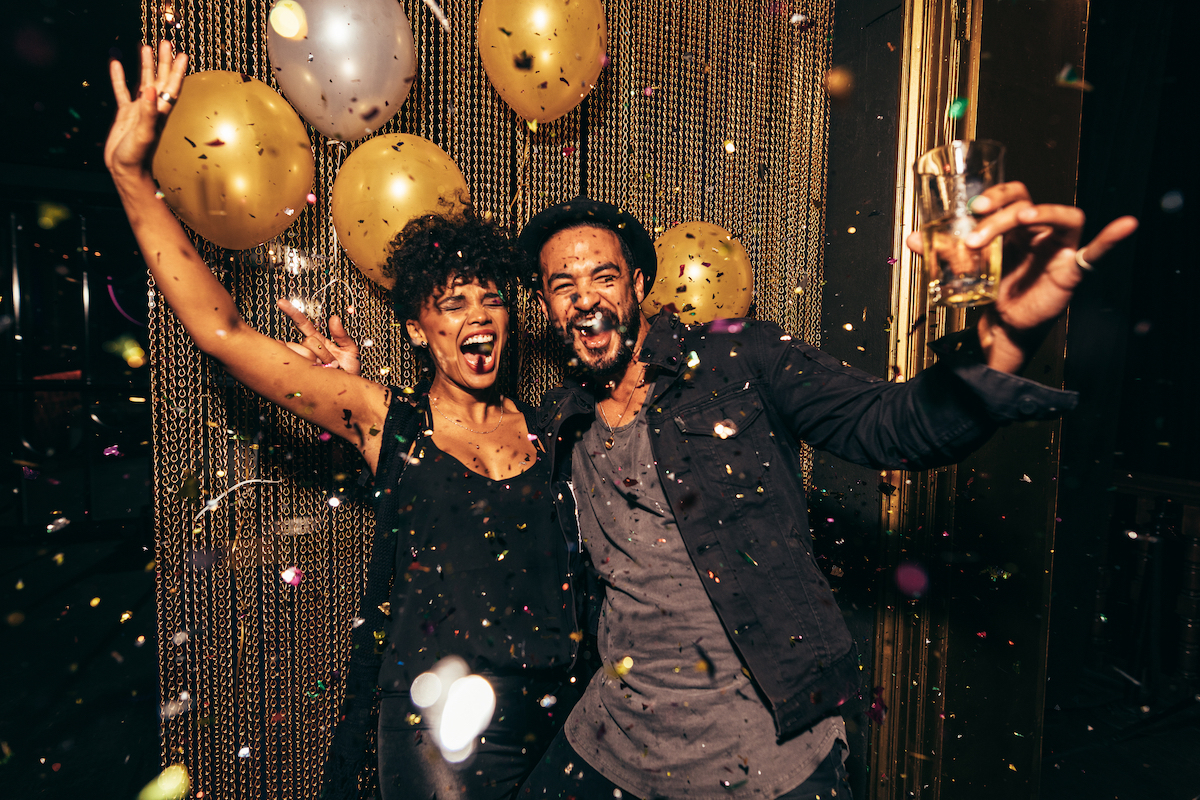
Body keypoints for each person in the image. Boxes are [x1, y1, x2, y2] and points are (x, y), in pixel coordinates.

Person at [510, 197, 1138, 799]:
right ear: (546, 305)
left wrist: (1002, 334)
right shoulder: (561, 425)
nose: (585, 297)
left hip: (765, 746)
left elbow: (890, 424)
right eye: (564, 286)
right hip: (615, 740)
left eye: (603, 276)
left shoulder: (737, 358)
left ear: (638, 284)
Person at [106, 43, 583, 800]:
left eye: (489, 296)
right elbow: (223, 334)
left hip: (563, 720)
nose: (477, 315)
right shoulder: (383, 419)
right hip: (437, 737)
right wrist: (131, 176)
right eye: (451, 303)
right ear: (419, 330)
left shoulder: (559, 426)